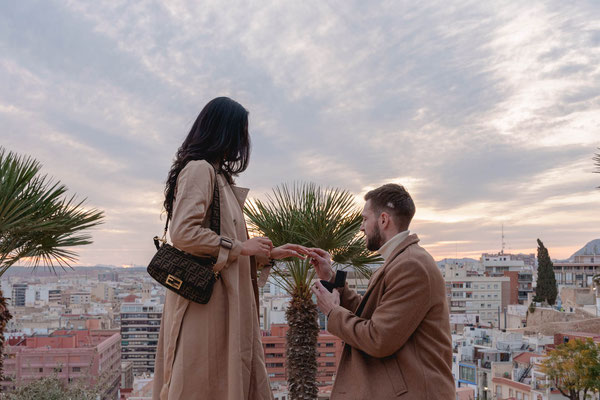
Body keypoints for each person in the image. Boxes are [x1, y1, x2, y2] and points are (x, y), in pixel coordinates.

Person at [152, 97, 307, 400]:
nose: (243, 140)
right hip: (207, 304)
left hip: (225, 301)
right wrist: (240, 247)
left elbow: (232, 244)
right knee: (203, 380)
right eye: (241, 130)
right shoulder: (199, 170)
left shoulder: (219, 176)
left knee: (224, 378)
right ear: (224, 131)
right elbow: (183, 233)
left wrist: (267, 253)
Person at [309, 184, 455, 399]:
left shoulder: (411, 265)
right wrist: (331, 278)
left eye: (365, 219)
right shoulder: (401, 260)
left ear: (384, 220)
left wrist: (332, 311)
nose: (361, 228)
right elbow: (374, 313)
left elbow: (378, 338)